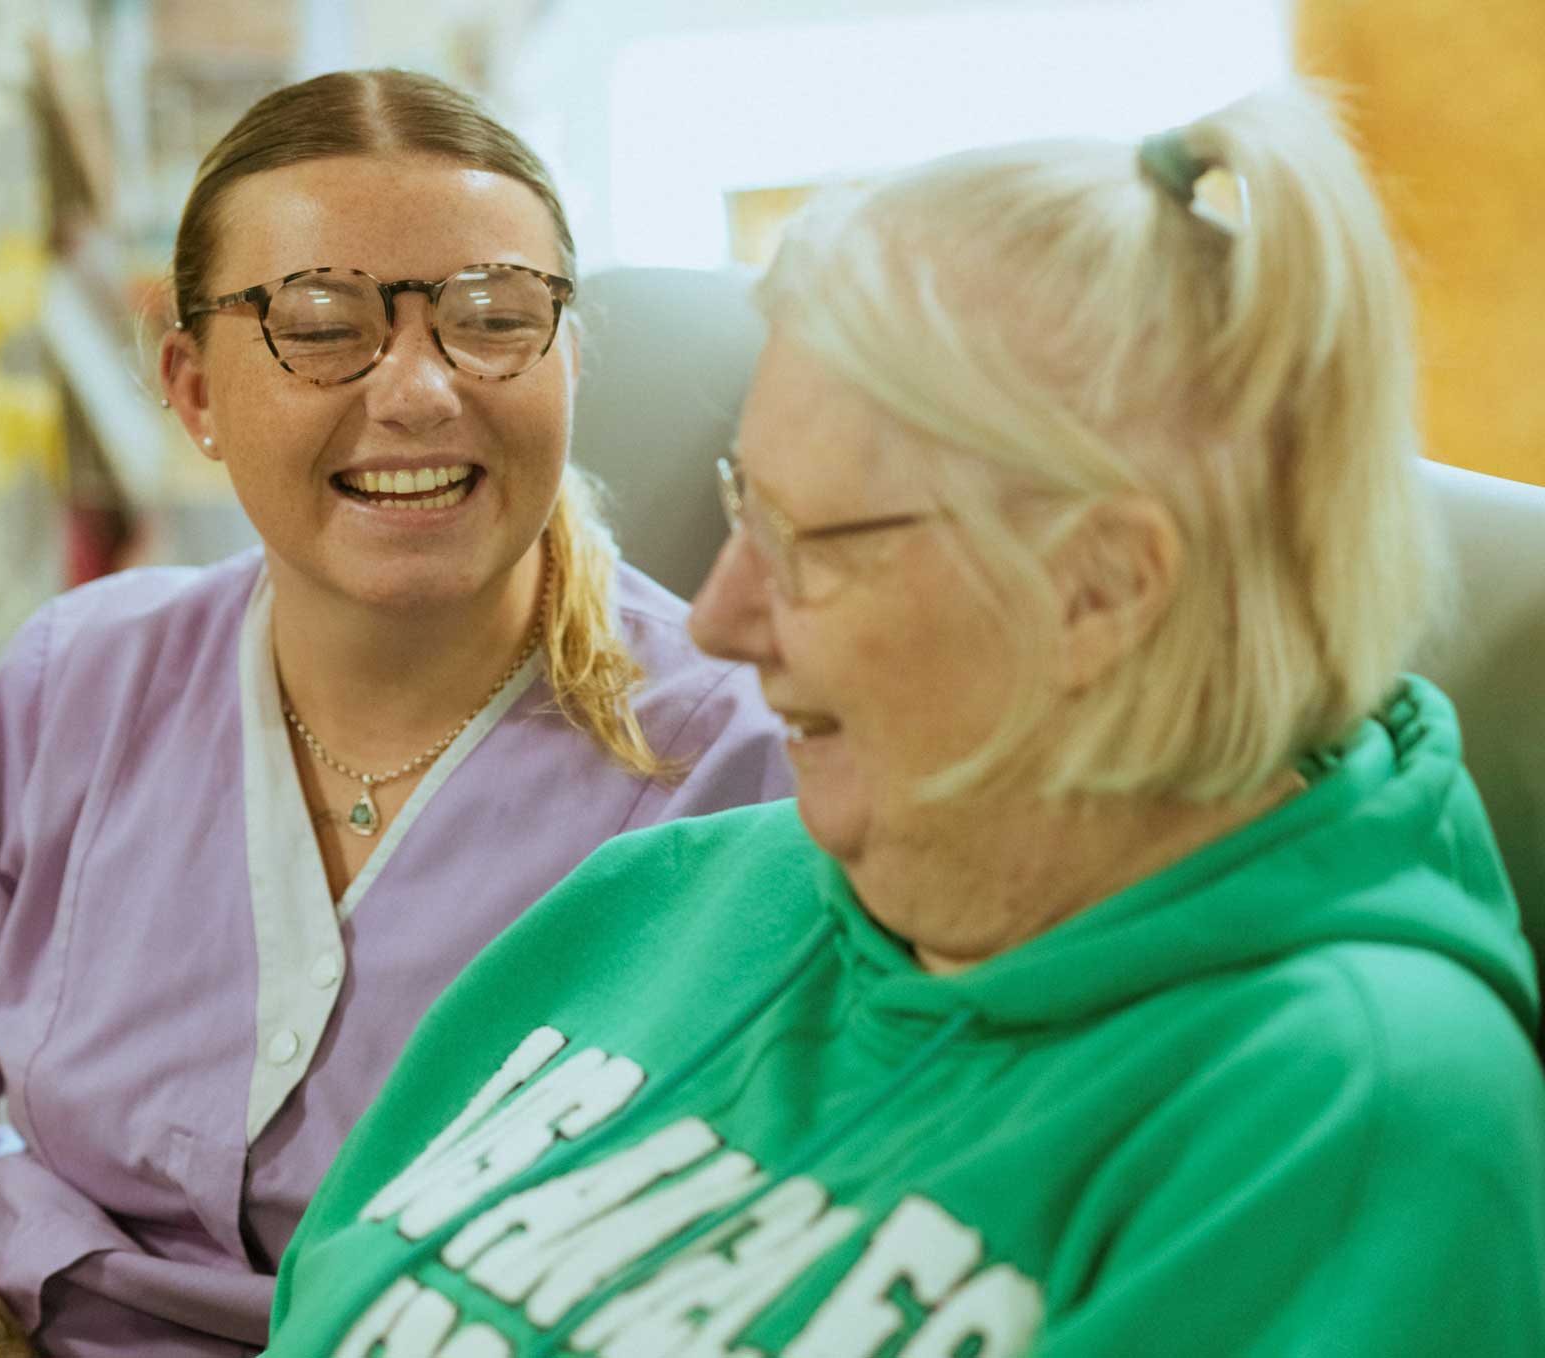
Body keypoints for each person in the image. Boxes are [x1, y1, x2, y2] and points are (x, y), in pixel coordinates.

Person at [257, 85, 1545, 1356]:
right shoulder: (670, 896)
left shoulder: (1340, 1121)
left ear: (1097, 588)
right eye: (739, 509)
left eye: (809, 545)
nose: (719, 619)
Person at [0, 70, 791, 1358]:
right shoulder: (83, 683)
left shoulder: (747, 774)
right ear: (193, 388)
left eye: (494, 318)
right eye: (319, 326)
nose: (423, 391)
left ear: (570, 362)